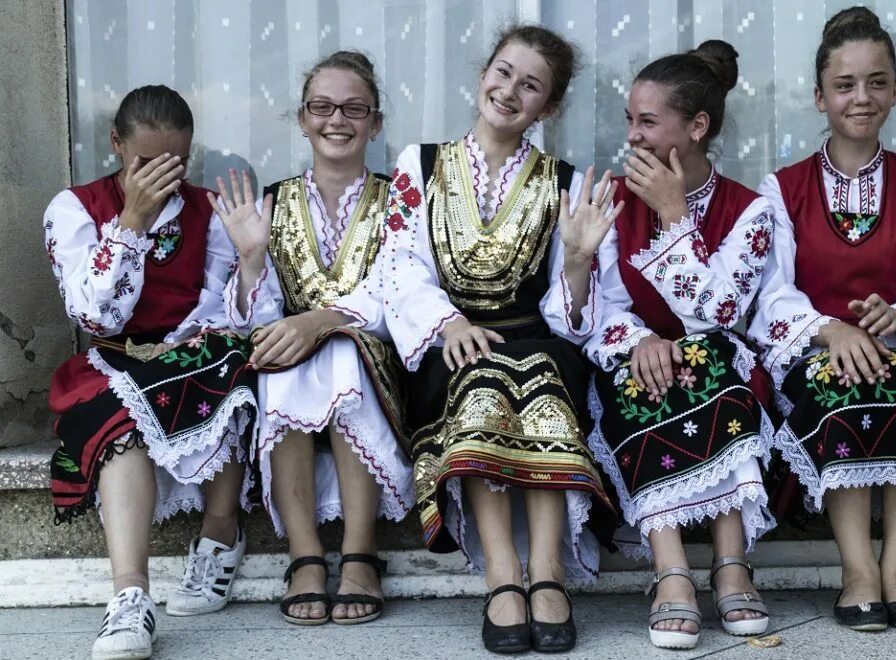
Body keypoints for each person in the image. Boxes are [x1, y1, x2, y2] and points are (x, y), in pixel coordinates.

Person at [337, 24, 622, 654]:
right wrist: (450, 324)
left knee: (544, 388)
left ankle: (548, 574)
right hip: (450, 344)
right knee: (480, 388)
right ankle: (501, 577)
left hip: (537, 338)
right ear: (482, 75)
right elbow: (400, 267)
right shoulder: (422, 163)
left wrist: (576, 260)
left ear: (547, 107)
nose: (509, 90)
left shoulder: (563, 181)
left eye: (530, 85)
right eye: (502, 72)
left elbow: (571, 314)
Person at [749, 6, 896, 632]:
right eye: (846, 85)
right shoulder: (783, 188)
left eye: (877, 81)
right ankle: (857, 570)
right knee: (837, 385)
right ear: (819, 95)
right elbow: (774, 296)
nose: (862, 97)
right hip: (815, 349)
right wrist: (832, 331)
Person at [44, 85, 256, 660]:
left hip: (190, 349)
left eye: (175, 161)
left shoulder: (207, 211)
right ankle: (130, 599)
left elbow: (229, 313)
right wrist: (132, 221)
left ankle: (219, 535)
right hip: (113, 356)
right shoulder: (75, 208)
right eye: (145, 161)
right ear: (116, 144)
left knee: (233, 373)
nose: (161, 175)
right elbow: (94, 313)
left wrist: (251, 257)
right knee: (118, 415)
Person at [585, 41, 776, 650]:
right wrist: (639, 339)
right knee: (646, 377)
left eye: (648, 121)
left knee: (707, 360)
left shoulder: (750, 210)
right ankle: (671, 571)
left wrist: (672, 216)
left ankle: (730, 563)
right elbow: (598, 308)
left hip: (714, 357)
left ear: (696, 127)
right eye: (629, 120)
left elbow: (719, 311)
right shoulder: (610, 199)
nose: (632, 136)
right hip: (631, 358)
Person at [214, 51, 413, 627]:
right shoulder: (271, 203)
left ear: (375, 123)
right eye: (322, 107)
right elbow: (260, 316)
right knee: (278, 355)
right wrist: (252, 260)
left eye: (354, 108)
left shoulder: (398, 198)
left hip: (374, 359)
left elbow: (397, 291)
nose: (337, 120)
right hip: (297, 365)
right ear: (302, 119)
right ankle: (304, 554)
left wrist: (322, 321)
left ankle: (359, 553)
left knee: (343, 351)